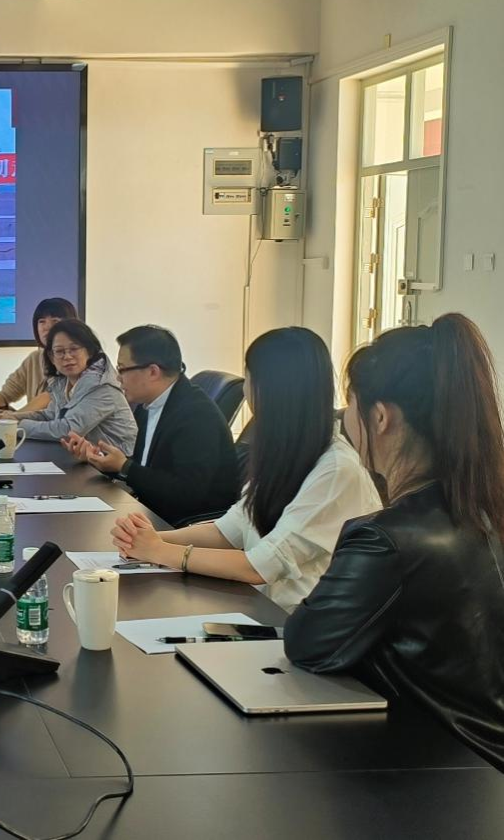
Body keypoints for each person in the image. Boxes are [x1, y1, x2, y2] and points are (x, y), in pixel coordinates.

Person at [284, 314, 504, 770]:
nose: (345, 420)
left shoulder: (386, 538)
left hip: (437, 768)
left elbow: (306, 643)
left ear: (380, 417)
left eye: (350, 406)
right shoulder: (486, 510)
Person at [110, 327, 381, 612]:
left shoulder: (336, 469)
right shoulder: (286, 450)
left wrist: (159, 550)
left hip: (293, 622)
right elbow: (230, 529)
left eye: (249, 377)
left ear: (268, 389)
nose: (245, 389)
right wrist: (149, 540)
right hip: (260, 606)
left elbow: (261, 566)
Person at [62, 325, 241, 526]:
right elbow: (147, 471)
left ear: (153, 371)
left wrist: (125, 467)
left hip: (183, 525)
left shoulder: (195, 415)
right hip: (150, 512)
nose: (119, 378)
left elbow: (186, 493)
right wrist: (101, 461)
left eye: (122, 369)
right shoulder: (148, 406)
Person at [0, 319, 136, 451]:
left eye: (74, 349)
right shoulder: (64, 382)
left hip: (113, 467)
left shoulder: (102, 386)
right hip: (85, 459)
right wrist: (10, 418)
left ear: (90, 351)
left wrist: (16, 426)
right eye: (59, 351)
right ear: (51, 357)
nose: (67, 357)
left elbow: (68, 430)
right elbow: (50, 415)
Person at [0, 298, 77, 414]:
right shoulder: (35, 359)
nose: (47, 327)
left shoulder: (77, 360)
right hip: (33, 424)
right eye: (42, 322)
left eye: (55, 321)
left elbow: (50, 397)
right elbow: (6, 394)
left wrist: (14, 417)